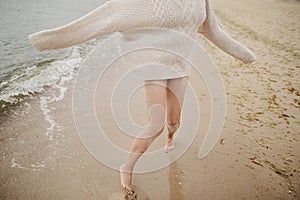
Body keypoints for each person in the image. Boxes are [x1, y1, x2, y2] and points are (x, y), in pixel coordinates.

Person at [28, 0, 256, 197]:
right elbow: (102, 19)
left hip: (181, 65)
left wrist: (244, 55)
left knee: (174, 121)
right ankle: (126, 167)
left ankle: (170, 137)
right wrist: (47, 40)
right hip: (153, 65)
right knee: (154, 123)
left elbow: (214, 30)